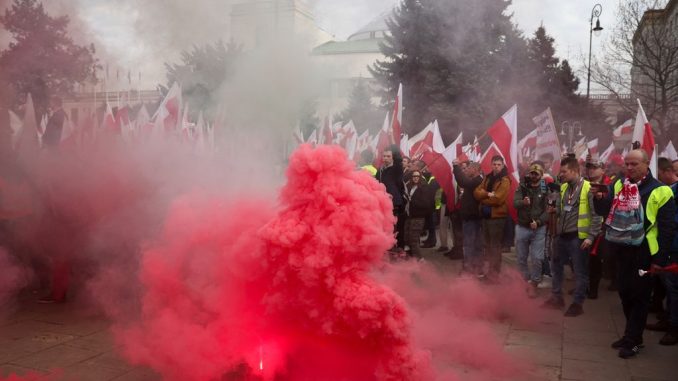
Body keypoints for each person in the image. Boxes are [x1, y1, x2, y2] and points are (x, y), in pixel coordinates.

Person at [592, 149, 676, 358]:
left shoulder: (661, 191)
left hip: (645, 251)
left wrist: (660, 259)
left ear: (647, 164)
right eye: (627, 164)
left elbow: (667, 228)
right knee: (624, 292)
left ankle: (633, 340)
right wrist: (599, 198)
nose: (629, 168)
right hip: (620, 248)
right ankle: (631, 333)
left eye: (634, 164)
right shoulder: (619, 184)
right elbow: (604, 210)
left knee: (639, 296)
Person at [543, 156, 602, 317]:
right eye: (560, 171)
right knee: (556, 266)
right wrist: (555, 211)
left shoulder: (589, 188)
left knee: (580, 271)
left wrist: (590, 237)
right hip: (561, 235)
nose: (561, 174)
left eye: (564, 171)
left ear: (575, 171)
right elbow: (563, 210)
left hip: (578, 237)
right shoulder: (563, 188)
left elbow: (597, 215)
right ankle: (556, 297)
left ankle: (577, 303)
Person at [645, 157, 678, 345]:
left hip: (674, 247)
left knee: (673, 289)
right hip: (666, 245)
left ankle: (673, 327)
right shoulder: (670, 190)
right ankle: (667, 319)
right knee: (666, 286)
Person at [514, 163, 550, 298]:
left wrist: (539, 221)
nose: (533, 176)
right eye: (531, 173)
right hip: (522, 227)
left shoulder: (546, 189)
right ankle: (525, 281)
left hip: (539, 229)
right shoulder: (522, 186)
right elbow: (514, 203)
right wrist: (523, 202)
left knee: (537, 258)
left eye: (536, 174)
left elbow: (549, 209)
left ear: (541, 175)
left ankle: (534, 283)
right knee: (521, 258)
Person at [473, 155, 510, 280]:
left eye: (499, 164)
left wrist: (483, 200)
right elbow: (476, 192)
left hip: (497, 217)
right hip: (486, 216)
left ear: (503, 165)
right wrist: (487, 194)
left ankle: (494, 274)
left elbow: (498, 199)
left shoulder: (505, 180)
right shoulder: (488, 177)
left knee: (495, 246)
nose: (496, 166)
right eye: (494, 164)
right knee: (487, 245)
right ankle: (490, 272)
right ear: (491, 164)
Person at [585, 156, 612, 298]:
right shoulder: (584, 184)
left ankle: (593, 289)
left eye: (595, 167)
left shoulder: (609, 186)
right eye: (589, 167)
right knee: (584, 259)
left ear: (603, 170)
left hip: (602, 229)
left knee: (595, 259)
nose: (591, 170)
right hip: (584, 226)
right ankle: (584, 285)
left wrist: (601, 197)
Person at [453, 160, 483, 273]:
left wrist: (456, 167)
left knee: (470, 244)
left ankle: (469, 268)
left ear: (475, 170)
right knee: (475, 243)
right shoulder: (476, 180)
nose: (467, 170)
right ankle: (477, 267)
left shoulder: (477, 181)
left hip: (472, 217)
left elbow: (462, 181)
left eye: (469, 168)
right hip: (472, 216)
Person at [376, 146, 405, 249]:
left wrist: (392, 136)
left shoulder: (397, 168)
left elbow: (398, 158)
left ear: (393, 158)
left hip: (394, 202)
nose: (386, 158)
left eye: (388, 156)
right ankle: (384, 246)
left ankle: (394, 247)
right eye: (384, 156)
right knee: (382, 225)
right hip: (382, 202)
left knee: (393, 226)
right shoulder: (380, 170)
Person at [403, 170, 435, 261]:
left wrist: (412, 200)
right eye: (414, 176)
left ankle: (420, 259)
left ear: (420, 177)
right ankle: (412, 258)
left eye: (417, 176)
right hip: (409, 216)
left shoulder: (424, 188)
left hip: (418, 218)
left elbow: (426, 204)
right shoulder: (409, 186)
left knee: (414, 239)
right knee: (407, 238)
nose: (415, 178)